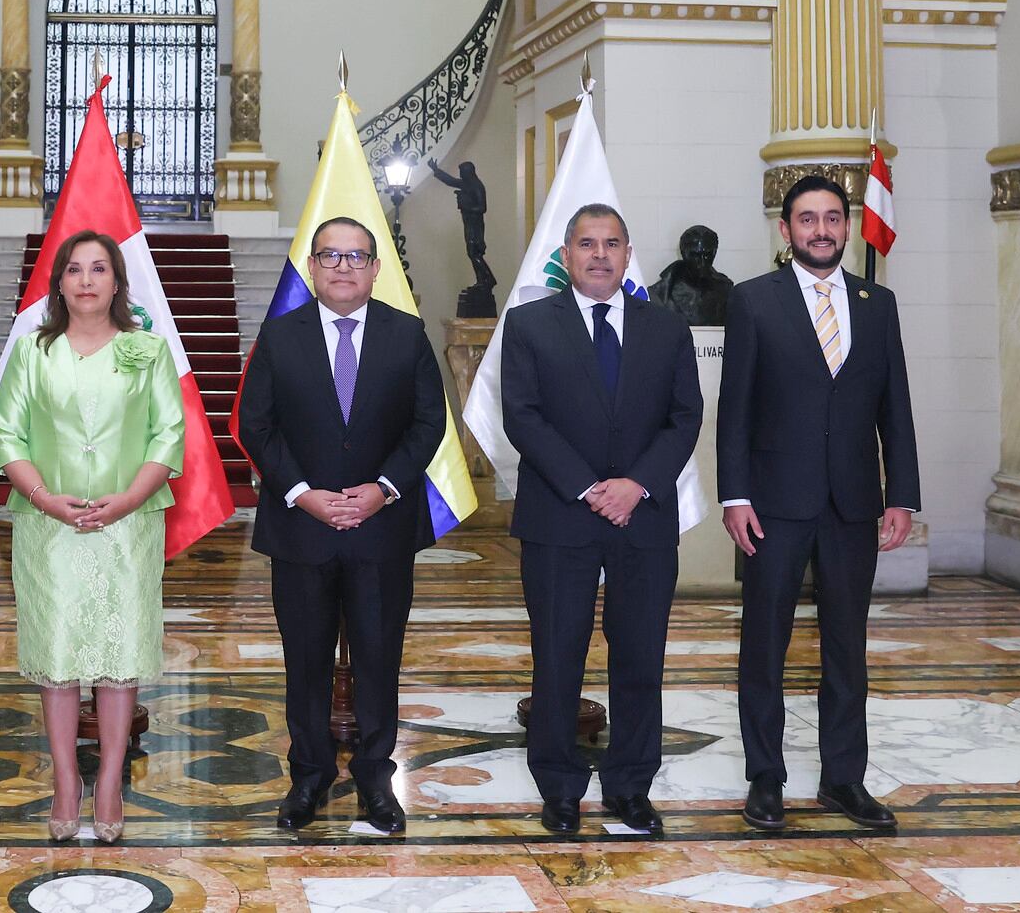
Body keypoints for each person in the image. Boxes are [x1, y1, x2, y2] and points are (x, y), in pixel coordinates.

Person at [719, 174, 920, 833]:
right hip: (773, 503)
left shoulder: (878, 302)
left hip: (855, 504)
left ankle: (843, 778)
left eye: (833, 217)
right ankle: (766, 778)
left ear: (847, 223)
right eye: (808, 219)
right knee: (764, 643)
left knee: (846, 645)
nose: (822, 229)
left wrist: (903, 496)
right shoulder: (753, 302)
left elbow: (896, 409)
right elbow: (736, 412)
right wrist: (735, 495)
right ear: (786, 230)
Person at [238, 216, 448, 835]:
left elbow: (426, 426)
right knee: (305, 660)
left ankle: (377, 780)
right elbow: (257, 425)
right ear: (313, 268)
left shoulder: (407, 335)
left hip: (381, 527)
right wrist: (303, 494)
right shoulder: (280, 336)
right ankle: (308, 776)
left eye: (356, 257)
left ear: (376, 268)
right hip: (301, 529)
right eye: (329, 256)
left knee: (379, 658)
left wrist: (382, 490)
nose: (343, 267)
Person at [500, 203, 702, 836]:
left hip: (643, 519)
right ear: (566, 255)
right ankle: (558, 787)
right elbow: (522, 416)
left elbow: (684, 418)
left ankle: (630, 785)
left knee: (640, 657)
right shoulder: (531, 324)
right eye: (586, 243)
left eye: (611, 243)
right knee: (558, 657)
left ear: (627, 253)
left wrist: (635, 485)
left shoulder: (666, 327)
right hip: (560, 517)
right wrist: (589, 487)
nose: (599, 254)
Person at [0, 230, 184, 843]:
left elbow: (167, 436)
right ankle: (66, 781)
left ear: (118, 282)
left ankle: (108, 786)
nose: (87, 280)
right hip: (50, 527)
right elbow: (7, 436)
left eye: (99, 269)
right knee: (60, 656)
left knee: (121, 659)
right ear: (60, 283)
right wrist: (47, 498)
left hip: (129, 525)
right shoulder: (32, 351)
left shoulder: (147, 349)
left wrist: (128, 500)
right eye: (75, 270)